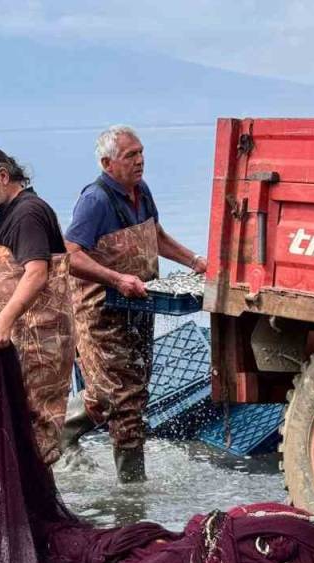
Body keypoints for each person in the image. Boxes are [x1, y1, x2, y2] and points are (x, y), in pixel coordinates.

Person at [63, 125, 207, 483]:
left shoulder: (141, 191)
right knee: (118, 400)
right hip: (100, 313)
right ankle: (133, 491)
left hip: (140, 307)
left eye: (141, 152)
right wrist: (116, 279)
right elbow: (69, 255)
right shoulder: (95, 200)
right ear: (107, 162)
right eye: (131, 155)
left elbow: (156, 236)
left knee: (135, 393)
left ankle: (61, 432)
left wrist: (194, 261)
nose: (140, 160)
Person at [0, 146, 73, 466]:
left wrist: (2, 323)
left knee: (32, 435)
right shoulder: (5, 215)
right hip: (16, 348)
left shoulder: (27, 213)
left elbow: (37, 273)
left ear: (3, 176)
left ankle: (34, 509)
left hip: (36, 347)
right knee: (17, 434)